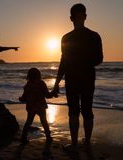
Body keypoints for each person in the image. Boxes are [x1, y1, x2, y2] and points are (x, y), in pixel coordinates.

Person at [52, 3, 103, 151]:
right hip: (88, 77)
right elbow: (99, 60)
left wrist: (56, 83)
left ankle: (74, 144)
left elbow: (63, 62)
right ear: (85, 17)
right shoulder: (94, 36)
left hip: (72, 78)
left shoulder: (66, 37)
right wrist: (86, 59)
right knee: (87, 110)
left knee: (73, 111)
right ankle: (86, 143)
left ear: (70, 18)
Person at [19, 68, 54, 144]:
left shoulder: (28, 85)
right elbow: (47, 95)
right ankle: (48, 137)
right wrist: (53, 94)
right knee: (44, 121)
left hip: (31, 106)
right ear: (39, 75)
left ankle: (23, 137)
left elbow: (24, 97)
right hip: (40, 106)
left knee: (28, 122)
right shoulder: (41, 83)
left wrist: (20, 99)